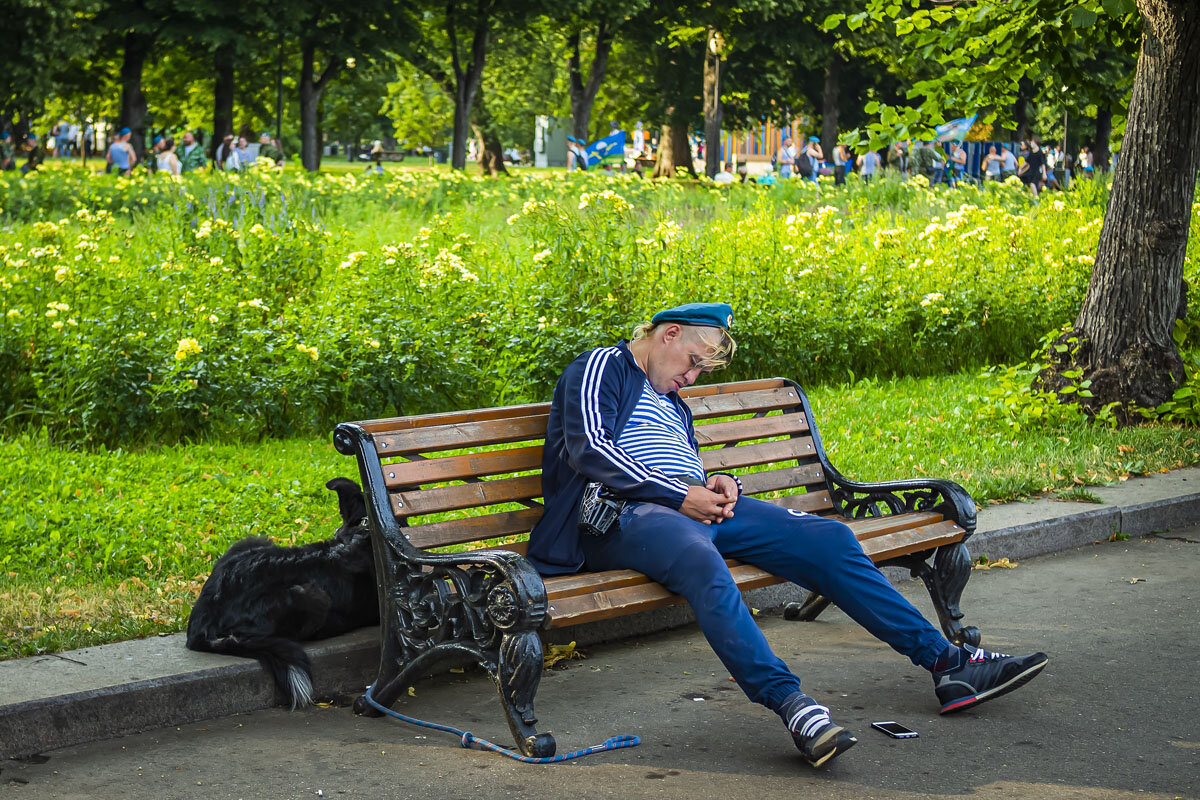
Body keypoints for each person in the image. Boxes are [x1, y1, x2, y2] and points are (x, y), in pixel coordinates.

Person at [526, 302, 1050, 768]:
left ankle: (947, 662)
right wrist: (681, 495)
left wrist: (720, 484)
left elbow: (680, 465)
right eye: (694, 361)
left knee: (830, 541)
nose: (694, 375)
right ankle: (792, 705)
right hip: (622, 515)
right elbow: (590, 449)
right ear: (669, 334)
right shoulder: (603, 366)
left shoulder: (673, 402)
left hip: (686, 506)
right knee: (701, 562)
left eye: (703, 369)